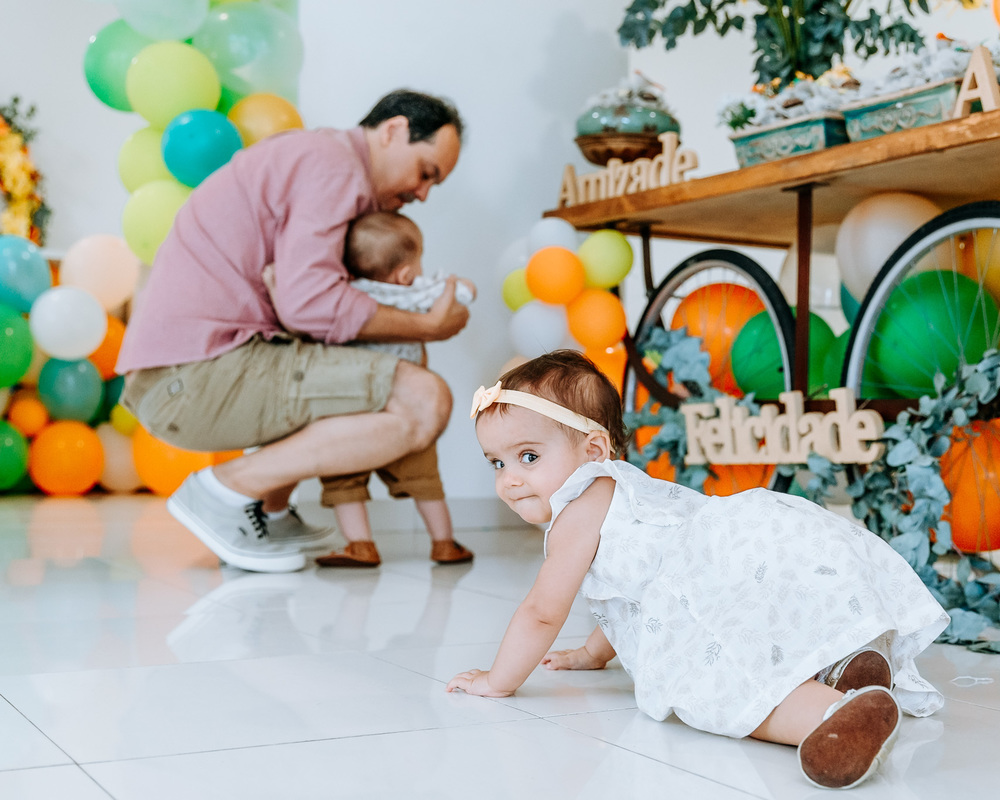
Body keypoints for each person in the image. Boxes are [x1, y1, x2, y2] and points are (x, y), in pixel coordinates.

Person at [446, 351, 949, 790]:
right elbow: (633, 596)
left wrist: (499, 680)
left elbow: (541, 612)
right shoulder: (618, 489)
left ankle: (832, 716)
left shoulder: (577, 509)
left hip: (704, 585)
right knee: (770, 637)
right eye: (497, 464)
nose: (510, 481)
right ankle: (843, 669)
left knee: (728, 682)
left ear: (593, 452)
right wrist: (592, 653)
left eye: (527, 457)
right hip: (736, 549)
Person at [116, 89, 468, 574]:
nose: (423, 193)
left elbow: (303, 308)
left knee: (340, 365)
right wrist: (427, 325)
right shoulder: (334, 164)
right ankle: (224, 490)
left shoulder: (317, 160)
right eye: (426, 171)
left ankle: (270, 509)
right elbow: (311, 303)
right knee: (424, 400)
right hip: (191, 377)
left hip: (182, 374)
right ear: (393, 131)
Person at [294, 211, 476, 568]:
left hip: (352, 408)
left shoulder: (345, 296)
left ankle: (361, 545)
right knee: (424, 478)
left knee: (342, 474)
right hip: (408, 407)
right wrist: (452, 284)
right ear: (405, 273)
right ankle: (444, 543)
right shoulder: (415, 292)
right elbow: (466, 294)